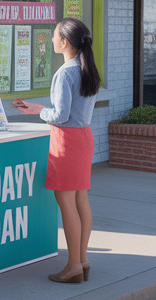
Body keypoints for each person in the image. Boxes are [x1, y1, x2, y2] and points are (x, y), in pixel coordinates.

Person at [13, 17, 101, 284]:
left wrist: (41, 112)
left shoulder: (65, 72)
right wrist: (40, 109)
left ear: (64, 42)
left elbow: (61, 116)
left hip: (66, 141)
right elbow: (71, 111)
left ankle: (73, 264)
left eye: (54, 36)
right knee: (81, 200)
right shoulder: (88, 69)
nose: (51, 40)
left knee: (66, 203)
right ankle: (82, 260)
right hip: (84, 137)